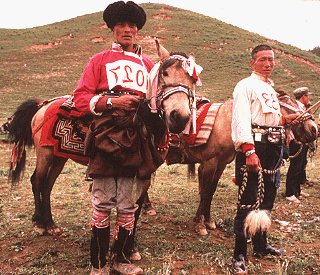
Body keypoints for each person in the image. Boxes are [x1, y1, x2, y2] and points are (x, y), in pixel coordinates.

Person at [70, 2, 159, 274]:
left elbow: (156, 103)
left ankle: (121, 261)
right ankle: (97, 265)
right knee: (104, 200)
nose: (127, 30)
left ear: (138, 30)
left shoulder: (149, 65)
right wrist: (113, 103)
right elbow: (80, 99)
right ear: (112, 29)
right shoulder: (99, 60)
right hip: (107, 135)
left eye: (132, 26)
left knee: (129, 204)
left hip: (138, 138)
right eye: (121, 25)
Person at [231, 44, 299, 274]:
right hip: (255, 147)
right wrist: (249, 151)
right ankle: (239, 254)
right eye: (262, 59)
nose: (268, 64)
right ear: (252, 62)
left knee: (267, 198)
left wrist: (286, 120)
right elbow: (241, 119)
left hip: (273, 148)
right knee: (248, 201)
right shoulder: (245, 86)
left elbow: (269, 119)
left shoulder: (269, 88)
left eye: (271, 59)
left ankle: (260, 245)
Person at [285, 87, 312, 203]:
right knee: (295, 167)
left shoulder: (304, 108)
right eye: (307, 96)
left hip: (304, 141)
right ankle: (290, 193)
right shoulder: (294, 109)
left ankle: (297, 191)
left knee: (300, 167)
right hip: (296, 142)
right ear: (303, 97)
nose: (309, 98)